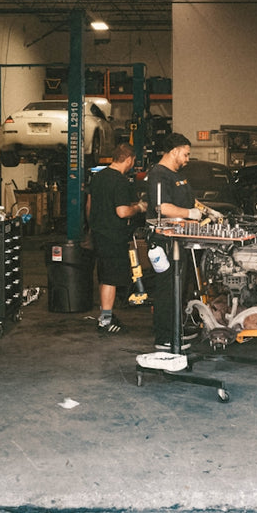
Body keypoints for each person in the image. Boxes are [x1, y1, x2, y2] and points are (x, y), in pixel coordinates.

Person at [143, 132, 202, 351]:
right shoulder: (159, 175)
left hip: (180, 240)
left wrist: (206, 210)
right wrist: (190, 213)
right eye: (185, 154)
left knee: (179, 287)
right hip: (164, 242)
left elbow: (191, 201)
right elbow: (163, 208)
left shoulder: (178, 175)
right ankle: (164, 338)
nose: (187, 159)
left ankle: (176, 329)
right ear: (174, 151)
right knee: (167, 289)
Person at [86, 142, 147, 334]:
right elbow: (122, 212)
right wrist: (139, 208)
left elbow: (89, 205)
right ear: (129, 159)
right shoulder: (120, 181)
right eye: (133, 161)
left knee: (104, 276)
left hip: (99, 233)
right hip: (114, 236)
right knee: (111, 279)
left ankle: (106, 314)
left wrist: (93, 225)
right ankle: (105, 320)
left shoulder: (97, 177)